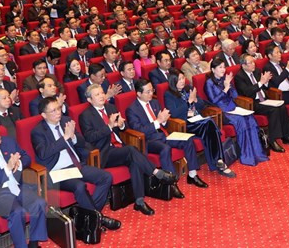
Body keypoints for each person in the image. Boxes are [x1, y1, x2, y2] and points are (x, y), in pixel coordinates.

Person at [78, 83, 176, 216]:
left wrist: (121, 125)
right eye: (97, 94)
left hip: (119, 148)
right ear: (89, 99)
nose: (101, 96)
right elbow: (90, 137)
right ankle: (156, 172)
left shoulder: (111, 107)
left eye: (102, 93)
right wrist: (109, 126)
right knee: (131, 150)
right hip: (103, 153)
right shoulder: (85, 115)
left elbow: (124, 128)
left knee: (134, 161)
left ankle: (139, 201)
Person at [31, 98, 120, 230]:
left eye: (59, 108)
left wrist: (73, 137)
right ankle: (98, 218)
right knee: (79, 186)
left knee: (106, 177)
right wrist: (65, 138)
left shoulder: (66, 121)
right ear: (44, 115)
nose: (58, 112)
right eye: (53, 110)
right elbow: (43, 153)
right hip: (57, 172)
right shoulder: (38, 131)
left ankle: (92, 217)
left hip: (76, 165)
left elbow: (82, 142)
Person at [0, 122, 48, 248]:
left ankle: (34, 243)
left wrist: (19, 163)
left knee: (39, 203)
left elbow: (26, 156)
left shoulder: (8, 142)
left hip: (17, 186)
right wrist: (7, 168)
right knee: (17, 212)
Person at [125, 79, 205, 192]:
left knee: (188, 139)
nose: (151, 94)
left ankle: (193, 175)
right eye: (148, 92)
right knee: (165, 148)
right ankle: (172, 183)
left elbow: (165, 123)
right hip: (149, 140)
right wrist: (158, 121)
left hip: (164, 135)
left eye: (152, 90)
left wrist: (164, 121)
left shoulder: (154, 102)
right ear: (138, 93)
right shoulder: (132, 110)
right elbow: (139, 130)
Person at [165, 68, 239, 175]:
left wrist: (195, 100)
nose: (182, 81)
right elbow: (174, 113)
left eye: (183, 78)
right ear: (173, 81)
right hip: (185, 124)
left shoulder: (188, 88)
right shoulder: (169, 94)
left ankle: (218, 162)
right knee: (209, 124)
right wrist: (188, 102)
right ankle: (219, 161)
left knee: (208, 128)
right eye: (179, 79)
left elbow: (201, 104)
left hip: (197, 119)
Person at [204, 57, 269, 166]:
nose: (223, 69)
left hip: (232, 107)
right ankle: (246, 155)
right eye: (220, 67)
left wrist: (229, 85)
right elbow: (213, 100)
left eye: (224, 67)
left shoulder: (225, 79)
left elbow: (235, 95)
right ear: (213, 69)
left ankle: (256, 153)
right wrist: (225, 89)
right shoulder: (209, 83)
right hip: (221, 111)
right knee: (241, 121)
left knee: (250, 118)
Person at [233, 55, 289, 150]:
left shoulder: (257, 71)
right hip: (252, 103)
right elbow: (246, 92)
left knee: (282, 106)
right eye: (250, 63)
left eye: (253, 62)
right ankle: (272, 140)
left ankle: (287, 135)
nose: (253, 64)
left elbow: (265, 87)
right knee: (273, 110)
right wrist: (261, 82)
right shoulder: (239, 77)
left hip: (264, 99)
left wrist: (266, 82)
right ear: (243, 65)